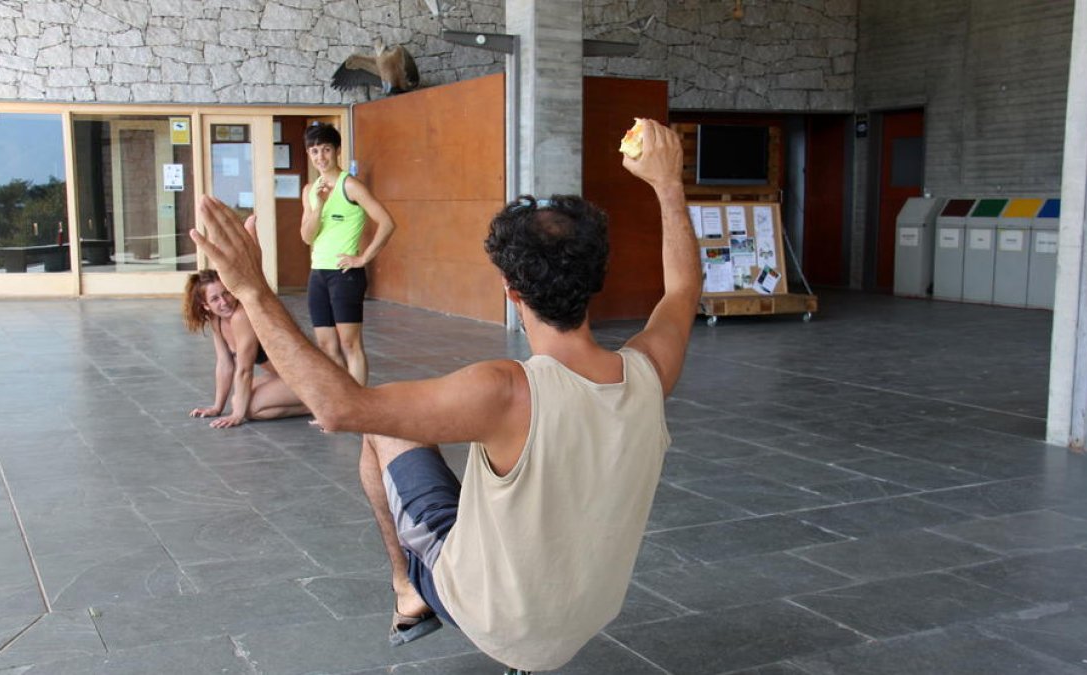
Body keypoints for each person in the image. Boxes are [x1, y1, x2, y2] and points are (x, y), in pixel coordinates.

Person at [191, 119, 699, 672]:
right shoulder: (649, 372)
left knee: (382, 423)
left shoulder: (505, 391)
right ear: (598, 275)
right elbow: (682, 289)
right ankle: (416, 592)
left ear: (510, 291)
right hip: (588, 613)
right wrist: (667, 184)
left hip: (499, 622)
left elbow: (340, 409)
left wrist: (251, 289)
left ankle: (409, 591)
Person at [300, 122, 396, 385]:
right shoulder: (310, 191)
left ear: (337, 151)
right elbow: (307, 236)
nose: (321, 157)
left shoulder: (350, 186)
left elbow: (387, 223)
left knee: (349, 344)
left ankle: (359, 408)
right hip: (318, 273)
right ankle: (341, 404)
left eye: (326, 150)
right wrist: (318, 206)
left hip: (345, 275)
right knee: (326, 345)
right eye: (315, 151)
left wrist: (363, 259)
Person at [182, 269, 310, 429]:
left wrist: (237, 415)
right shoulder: (217, 320)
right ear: (206, 306)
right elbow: (224, 364)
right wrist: (217, 407)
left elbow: (245, 370)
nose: (224, 302)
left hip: (305, 375)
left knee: (249, 408)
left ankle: (319, 405)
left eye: (226, 293)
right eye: (215, 299)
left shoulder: (241, 316)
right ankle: (314, 403)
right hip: (281, 375)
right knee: (238, 401)